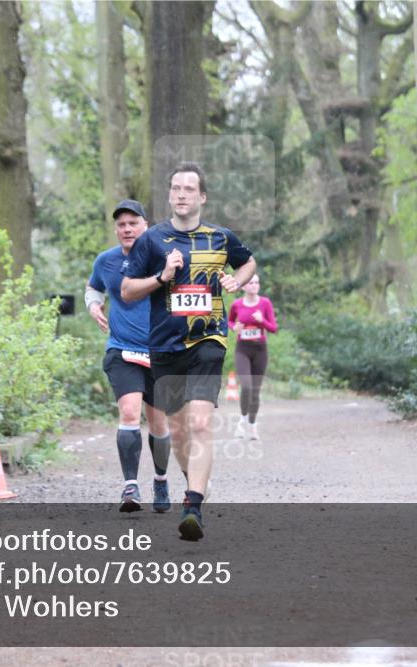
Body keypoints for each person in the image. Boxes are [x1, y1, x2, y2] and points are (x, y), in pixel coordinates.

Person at [122, 162, 257, 541]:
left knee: (199, 423)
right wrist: (161, 277)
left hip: (208, 340)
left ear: (202, 197)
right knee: (179, 433)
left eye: (188, 189)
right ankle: (194, 481)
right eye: (175, 188)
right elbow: (127, 290)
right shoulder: (151, 241)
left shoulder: (220, 237)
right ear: (169, 195)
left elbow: (248, 261)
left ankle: (193, 505)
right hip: (164, 346)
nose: (181, 194)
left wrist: (237, 278)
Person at [86, 199, 172, 513]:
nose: (126, 229)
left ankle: (161, 480)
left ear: (144, 226)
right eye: (121, 224)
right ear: (116, 229)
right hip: (122, 350)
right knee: (129, 412)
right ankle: (130, 487)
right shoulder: (105, 261)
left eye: (132, 223)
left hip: (160, 353)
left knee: (159, 425)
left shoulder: (163, 260)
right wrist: (93, 305)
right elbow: (93, 288)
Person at [228, 275, 277, 440]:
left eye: (256, 282)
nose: (254, 285)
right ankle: (241, 422)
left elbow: (273, 328)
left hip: (260, 350)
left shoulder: (265, 303)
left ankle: (252, 425)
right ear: (243, 287)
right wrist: (235, 327)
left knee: (255, 391)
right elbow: (229, 322)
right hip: (242, 349)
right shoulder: (237, 304)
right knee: (246, 387)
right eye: (250, 283)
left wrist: (261, 321)